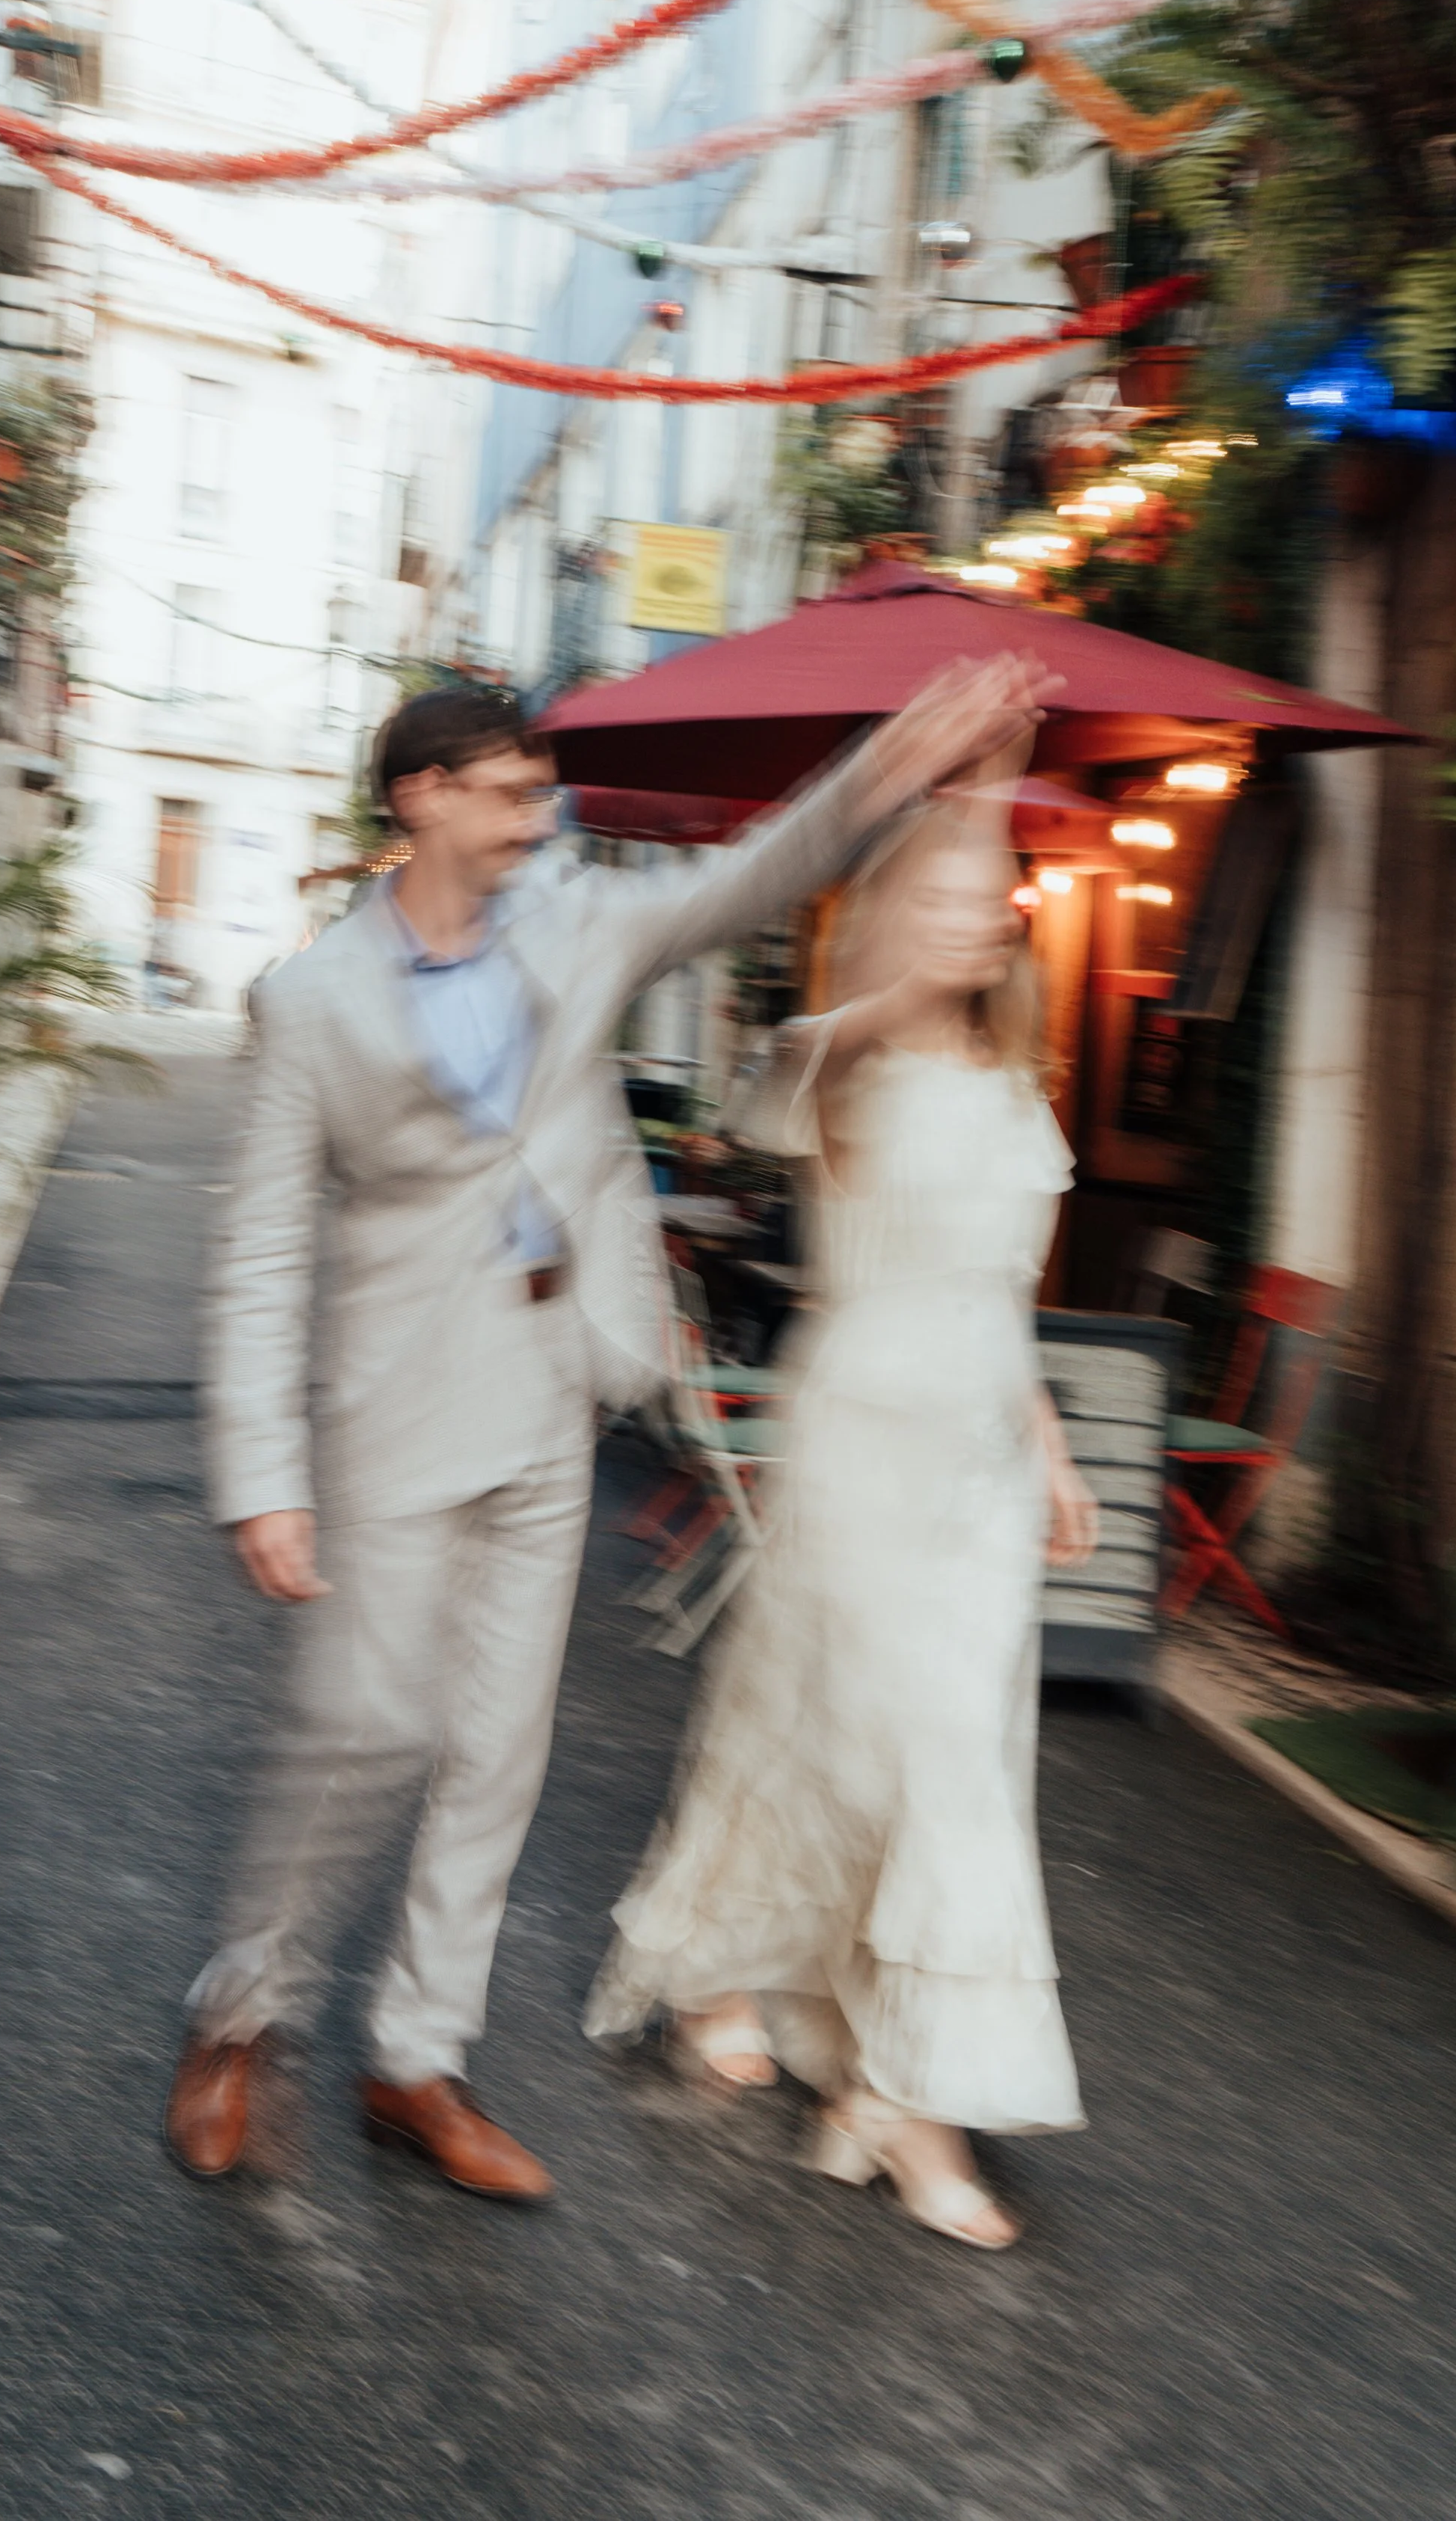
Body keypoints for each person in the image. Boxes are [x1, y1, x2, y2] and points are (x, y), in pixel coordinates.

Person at [164, 660, 1058, 2199]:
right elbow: (256, 1255)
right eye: (510, 791)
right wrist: (263, 1475)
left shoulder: (576, 924)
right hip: (387, 1418)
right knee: (366, 1731)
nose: (538, 815)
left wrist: (890, 763)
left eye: (541, 791)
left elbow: (751, 876)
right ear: (421, 797)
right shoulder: (308, 1003)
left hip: (549, 1391)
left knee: (498, 1758)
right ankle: (242, 2011)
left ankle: (417, 2061)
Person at [586, 776, 1099, 2250]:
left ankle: (854, 2058)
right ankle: (894, 2097)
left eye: (981, 898)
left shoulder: (1019, 1089)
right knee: (875, 1749)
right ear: (883, 922)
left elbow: (1001, 1305)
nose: (963, 920)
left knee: (945, 1765)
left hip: (979, 1477)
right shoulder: (842, 1066)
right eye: (929, 899)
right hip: (862, 1444)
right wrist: (879, 987)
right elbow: (766, 1094)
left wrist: (1050, 1449)